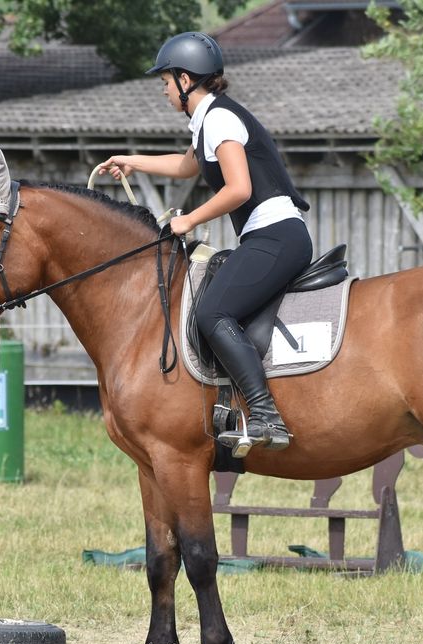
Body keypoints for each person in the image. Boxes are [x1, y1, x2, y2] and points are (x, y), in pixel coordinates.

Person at [97, 31, 313, 457]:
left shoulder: (219, 120)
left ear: (184, 79)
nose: (162, 90)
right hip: (267, 234)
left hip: (277, 234)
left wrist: (189, 220)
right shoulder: (207, 121)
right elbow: (185, 166)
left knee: (213, 311)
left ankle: (265, 413)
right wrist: (131, 161)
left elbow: (238, 188)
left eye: (164, 82)